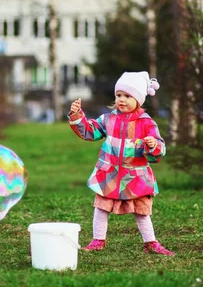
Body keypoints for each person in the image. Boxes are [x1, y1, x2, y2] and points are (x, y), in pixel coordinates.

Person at [68, 71, 175, 255]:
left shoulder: (146, 123)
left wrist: (152, 145)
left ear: (139, 99)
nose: (121, 100)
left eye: (127, 96)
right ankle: (98, 240)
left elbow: (159, 151)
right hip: (109, 173)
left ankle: (150, 242)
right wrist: (77, 115)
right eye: (119, 95)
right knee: (101, 207)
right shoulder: (108, 119)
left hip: (136, 176)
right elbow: (90, 131)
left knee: (142, 211)